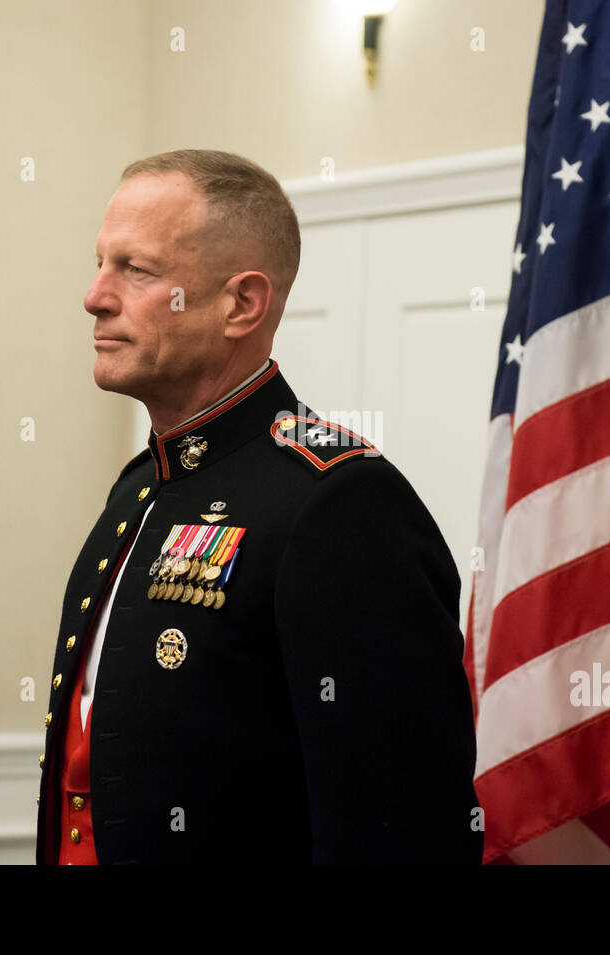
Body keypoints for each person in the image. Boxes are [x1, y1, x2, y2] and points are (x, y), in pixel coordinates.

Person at [35, 149, 482, 864]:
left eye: (137, 270)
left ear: (241, 304)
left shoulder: (339, 503)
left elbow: (399, 824)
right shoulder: (139, 488)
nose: (95, 295)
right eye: (99, 263)